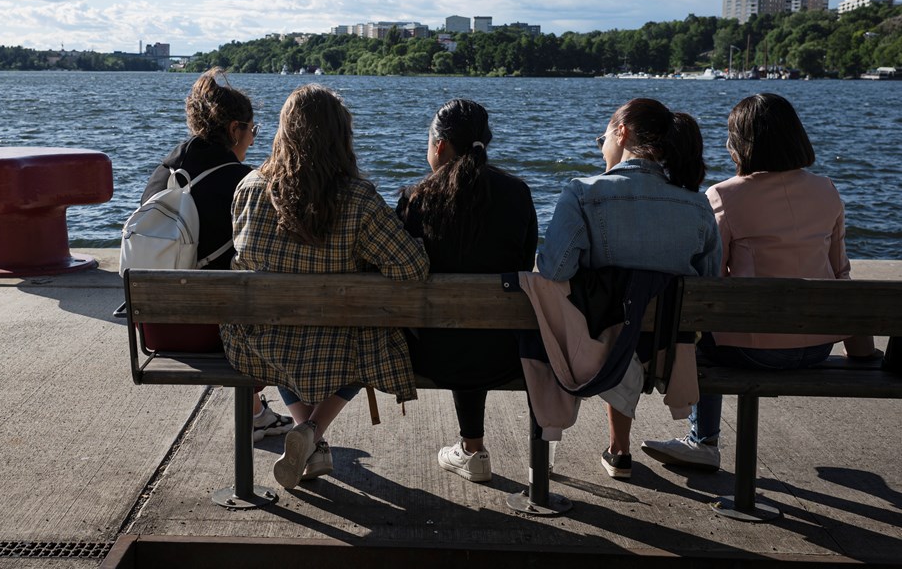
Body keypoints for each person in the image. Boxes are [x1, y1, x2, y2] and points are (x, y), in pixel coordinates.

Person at [641, 93, 880, 471]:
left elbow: (709, 282)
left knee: (694, 344)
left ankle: (702, 441)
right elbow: (840, 275)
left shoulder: (724, 196)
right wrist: (861, 351)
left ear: (741, 143)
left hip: (750, 349)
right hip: (818, 345)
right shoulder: (827, 190)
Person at [219, 84, 430, 490]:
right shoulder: (359, 198)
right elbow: (412, 267)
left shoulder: (247, 189)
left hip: (256, 342)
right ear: (340, 136)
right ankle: (312, 431)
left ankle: (309, 439)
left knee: (281, 328)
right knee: (368, 338)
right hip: (335, 344)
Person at [537, 98, 721, 479]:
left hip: (595, 349)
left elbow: (554, 269)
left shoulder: (583, 193)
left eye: (602, 135)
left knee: (613, 316)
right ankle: (618, 447)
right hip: (667, 352)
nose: (601, 143)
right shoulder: (698, 205)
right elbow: (708, 287)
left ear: (622, 133)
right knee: (631, 319)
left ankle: (616, 449)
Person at [137, 67, 293, 443]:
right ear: (235, 129)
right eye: (253, 131)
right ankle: (307, 427)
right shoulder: (242, 182)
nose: (253, 141)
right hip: (212, 333)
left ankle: (257, 414)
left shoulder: (164, 172)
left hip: (155, 327)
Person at [397, 99, 537, 482]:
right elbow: (524, 268)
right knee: (479, 329)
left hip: (427, 355)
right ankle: (472, 448)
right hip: (503, 355)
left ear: (439, 146)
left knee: (456, 329)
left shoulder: (415, 199)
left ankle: (472, 450)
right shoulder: (518, 193)